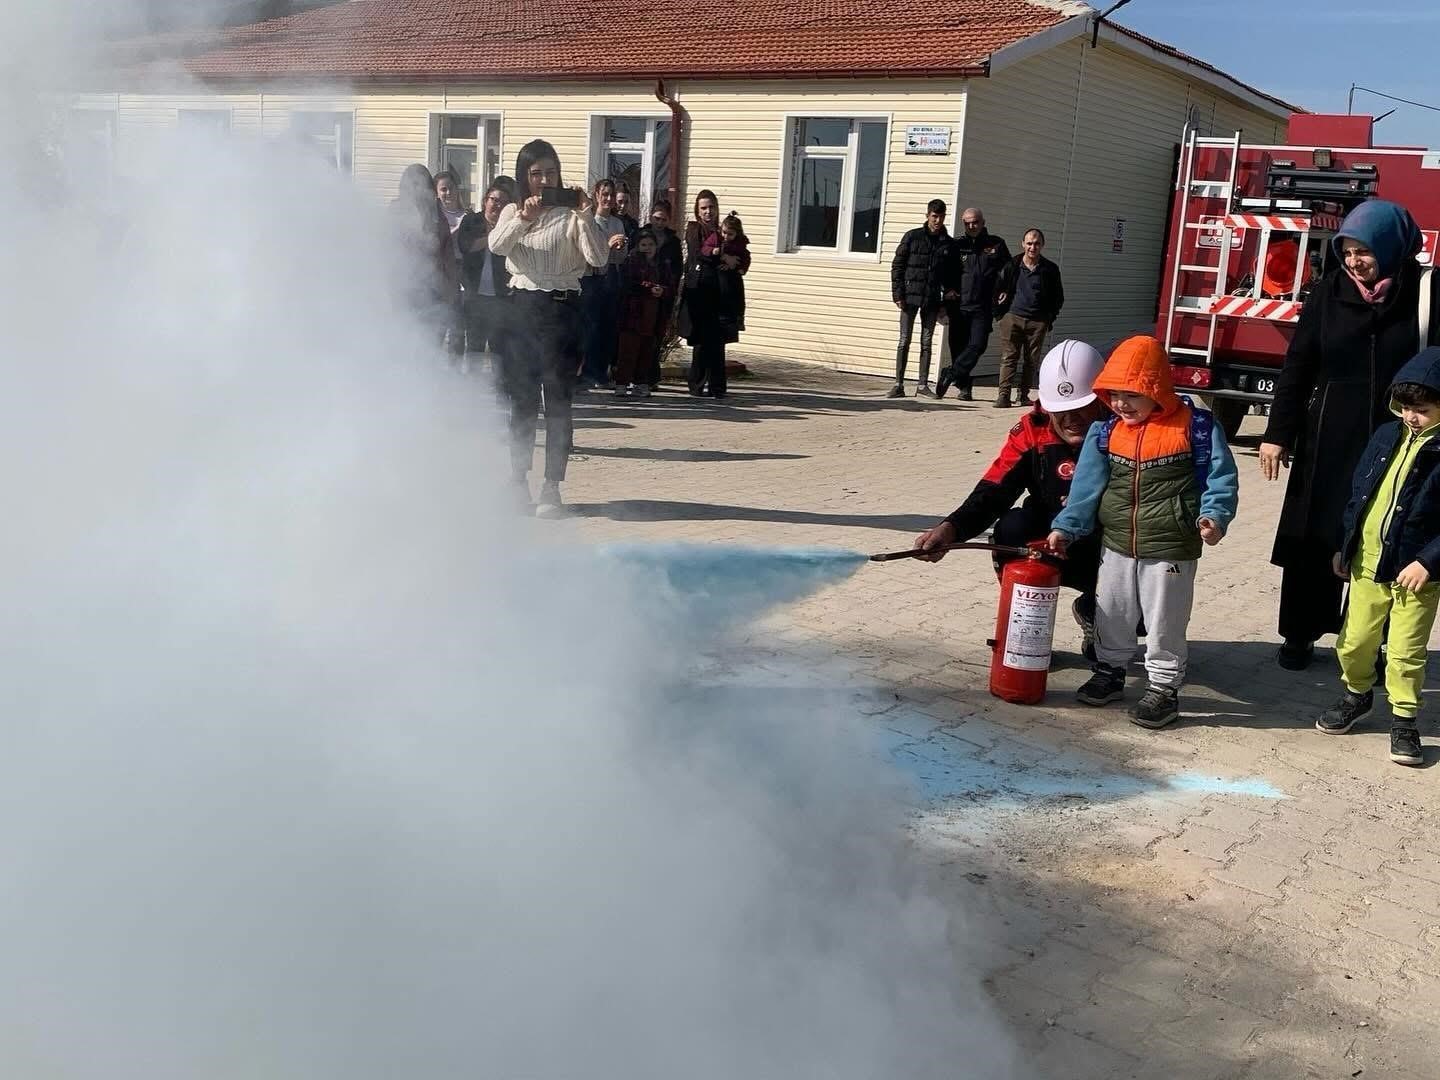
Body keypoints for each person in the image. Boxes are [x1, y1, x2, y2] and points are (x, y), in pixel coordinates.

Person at [1259, 200, 1440, 670]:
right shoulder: (1329, 290)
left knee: (1387, 532)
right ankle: (1300, 633)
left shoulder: (1426, 290)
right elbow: (1299, 362)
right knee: (1316, 533)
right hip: (1330, 432)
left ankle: (1374, 642)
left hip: (1399, 431)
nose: (1355, 262)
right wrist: (1277, 433)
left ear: (1391, 246)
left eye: (1365, 251)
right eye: (1348, 251)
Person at [1048, 336, 1239, 730]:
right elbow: (1085, 488)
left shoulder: (1196, 427)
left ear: (1156, 389)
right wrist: (1067, 527)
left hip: (1171, 547)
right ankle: (1111, 671)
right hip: (1116, 544)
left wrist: (1214, 517)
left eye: (1131, 394)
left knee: (1165, 619)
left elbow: (1221, 478)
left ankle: (1164, 689)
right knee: (1112, 612)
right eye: (1114, 394)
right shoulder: (1105, 432)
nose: (1121, 403)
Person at [914, 340, 1111, 657]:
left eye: (1081, 406)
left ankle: (1094, 611)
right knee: (1012, 527)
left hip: (1110, 543)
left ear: (1102, 399)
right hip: (1051, 542)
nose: (1071, 417)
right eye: (1060, 410)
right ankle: (1026, 636)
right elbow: (994, 490)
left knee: (1141, 610)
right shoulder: (1032, 432)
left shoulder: (1126, 432)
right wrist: (951, 529)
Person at [1313, 348, 1440, 766]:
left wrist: (1429, 560)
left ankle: (1404, 720)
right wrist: (1345, 546)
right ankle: (1357, 694)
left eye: (1421, 409)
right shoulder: (1387, 435)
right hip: (1367, 562)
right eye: (1405, 407)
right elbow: (1359, 495)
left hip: (1416, 571)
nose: (1411, 417)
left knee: (1405, 652)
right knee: (1354, 641)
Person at [488, 139, 609, 518]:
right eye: (536, 173)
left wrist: (587, 215)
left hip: (561, 313)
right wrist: (524, 218)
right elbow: (496, 246)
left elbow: (598, 258)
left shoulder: (573, 214)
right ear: (526, 176)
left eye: (550, 172)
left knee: (556, 403)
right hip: (521, 311)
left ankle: (551, 486)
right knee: (521, 402)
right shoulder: (512, 209)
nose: (543, 180)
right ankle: (517, 480)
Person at [936, 207, 1010, 401]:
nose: (971, 226)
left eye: (975, 222)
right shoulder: (956, 245)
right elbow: (943, 270)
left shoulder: (996, 244)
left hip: (982, 307)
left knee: (977, 345)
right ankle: (965, 388)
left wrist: (1004, 292)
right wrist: (947, 290)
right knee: (958, 348)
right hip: (959, 306)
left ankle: (950, 374)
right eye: (967, 223)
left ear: (983, 222)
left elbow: (1008, 272)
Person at [681, 190, 747, 399]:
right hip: (701, 291)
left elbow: (742, 252)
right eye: (704, 208)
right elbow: (698, 254)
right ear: (697, 211)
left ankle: (718, 387)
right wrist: (724, 257)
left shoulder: (726, 229)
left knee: (718, 341)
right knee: (701, 341)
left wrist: (736, 262)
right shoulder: (693, 229)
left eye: (711, 207)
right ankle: (697, 385)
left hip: (722, 293)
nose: (708, 212)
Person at [993, 228, 1065, 408]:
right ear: (1023, 244)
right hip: (1012, 318)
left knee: (1031, 360)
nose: (1032, 247)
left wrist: (1049, 318)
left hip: (1038, 321)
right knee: (1009, 357)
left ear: (1042, 245)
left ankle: (1023, 395)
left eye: (1037, 243)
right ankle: (1003, 396)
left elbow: (1058, 297)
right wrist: (1000, 314)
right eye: (1029, 243)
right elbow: (997, 289)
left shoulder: (1049, 269)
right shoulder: (1012, 265)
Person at [887, 199, 951, 399]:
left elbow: (950, 275)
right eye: (934, 216)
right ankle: (898, 384)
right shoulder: (912, 237)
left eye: (941, 216)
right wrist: (898, 294)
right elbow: (897, 266)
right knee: (904, 340)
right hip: (909, 297)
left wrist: (944, 303)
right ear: (927, 215)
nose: (937, 220)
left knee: (926, 341)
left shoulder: (946, 243)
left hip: (932, 300)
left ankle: (922, 385)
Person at [389, 163, 458, 345]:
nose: (418, 190)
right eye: (414, 185)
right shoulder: (396, 212)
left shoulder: (438, 215)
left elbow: (447, 254)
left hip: (434, 290)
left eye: (423, 185)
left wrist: (451, 287)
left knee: (432, 345)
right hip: (405, 291)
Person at [454, 179, 513, 371]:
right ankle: (472, 389)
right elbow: (466, 246)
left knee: (500, 348)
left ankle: (500, 392)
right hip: (474, 296)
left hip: (501, 297)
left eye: (502, 202)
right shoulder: (472, 220)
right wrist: (493, 238)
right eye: (494, 200)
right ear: (485, 201)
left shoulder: (510, 225)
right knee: (474, 346)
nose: (497, 205)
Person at [614, 227, 676, 398]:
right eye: (643, 244)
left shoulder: (663, 264)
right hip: (632, 314)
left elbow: (671, 287)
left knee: (647, 351)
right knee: (628, 350)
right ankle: (621, 383)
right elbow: (630, 284)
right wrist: (649, 288)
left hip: (653, 315)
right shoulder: (631, 261)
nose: (647, 248)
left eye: (650, 244)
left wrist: (662, 290)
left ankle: (641, 382)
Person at [578, 178, 628, 389]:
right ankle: (587, 372)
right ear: (596, 195)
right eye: (604, 194)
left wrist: (620, 248)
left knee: (608, 327)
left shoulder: (618, 223)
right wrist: (606, 246)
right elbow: (588, 255)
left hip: (611, 278)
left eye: (610, 195)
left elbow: (621, 257)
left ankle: (601, 372)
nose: (608, 199)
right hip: (591, 279)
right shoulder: (590, 221)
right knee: (592, 326)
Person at [435, 169, 470, 359]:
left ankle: (454, 372)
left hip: (460, 273)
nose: (448, 193)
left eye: (451, 188)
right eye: (443, 189)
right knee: (437, 325)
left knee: (457, 327)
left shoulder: (467, 216)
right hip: (438, 274)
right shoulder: (433, 217)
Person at [717, 213, 751, 339]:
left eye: (730, 234)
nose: (726, 236)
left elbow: (745, 258)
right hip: (720, 277)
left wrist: (739, 268)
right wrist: (723, 260)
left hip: (733, 278)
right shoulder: (719, 241)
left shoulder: (739, 246)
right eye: (724, 232)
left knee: (738, 300)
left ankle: (738, 319)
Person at [614, 182, 641, 247]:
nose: (623, 206)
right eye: (620, 202)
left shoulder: (633, 223)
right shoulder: (609, 220)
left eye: (626, 202)